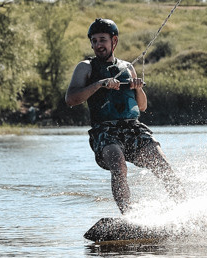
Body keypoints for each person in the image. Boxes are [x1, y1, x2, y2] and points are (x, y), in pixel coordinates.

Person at [66, 18, 185, 215]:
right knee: (119, 165)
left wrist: (138, 88)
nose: (98, 45)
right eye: (94, 41)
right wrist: (99, 84)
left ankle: (184, 209)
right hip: (105, 131)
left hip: (133, 127)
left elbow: (143, 106)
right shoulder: (85, 67)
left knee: (162, 164)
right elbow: (71, 99)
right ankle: (128, 217)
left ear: (114, 41)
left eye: (102, 40)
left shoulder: (128, 67)